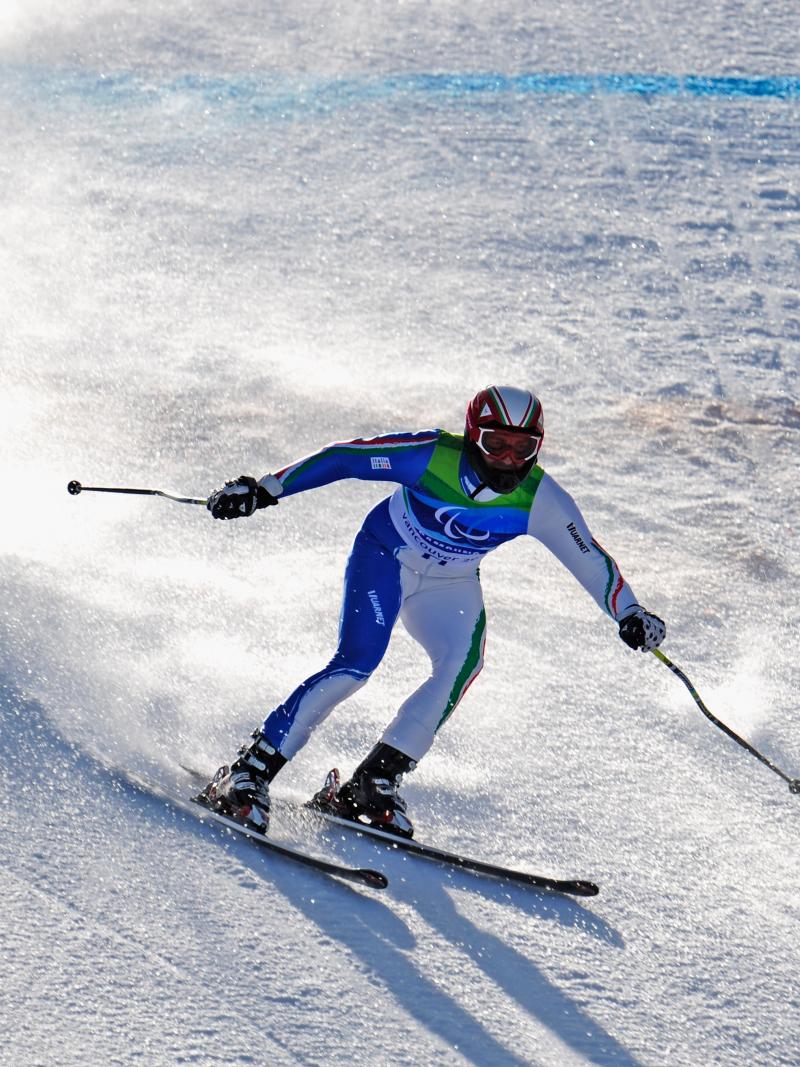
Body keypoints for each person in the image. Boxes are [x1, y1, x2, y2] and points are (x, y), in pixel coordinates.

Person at [199, 385, 665, 838]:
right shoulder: (429, 454)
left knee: (463, 663)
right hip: (386, 556)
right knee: (356, 666)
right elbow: (345, 457)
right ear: (470, 435)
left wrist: (630, 612)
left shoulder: (540, 500)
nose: (507, 460)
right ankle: (250, 770)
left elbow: (590, 560)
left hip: (450, 582)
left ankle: (373, 782)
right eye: (494, 443)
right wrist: (263, 490)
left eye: (522, 448)